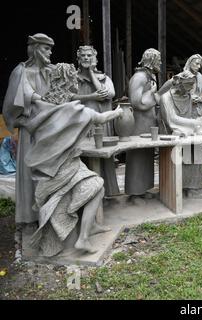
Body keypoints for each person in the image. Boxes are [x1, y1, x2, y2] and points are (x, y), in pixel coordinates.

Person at [23, 63, 123, 256]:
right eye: (75, 80)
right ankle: (83, 238)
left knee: (96, 188)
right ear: (71, 82)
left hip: (50, 165)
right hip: (64, 167)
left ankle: (90, 226)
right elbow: (102, 118)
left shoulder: (42, 106)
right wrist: (118, 112)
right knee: (97, 184)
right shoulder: (77, 111)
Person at [2, 33, 54, 230]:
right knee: (30, 171)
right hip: (30, 130)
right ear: (34, 49)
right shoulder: (21, 71)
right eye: (46, 48)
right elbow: (15, 100)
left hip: (48, 129)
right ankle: (29, 217)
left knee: (47, 171)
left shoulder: (51, 72)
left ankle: (48, 214)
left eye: (50, 49)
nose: (50, 52)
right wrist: (36, 102)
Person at [72, 45, 119, 198]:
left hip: (101, 124)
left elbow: (109, 94)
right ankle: (85, 196)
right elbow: (68, 97)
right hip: (81, 125)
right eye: (83, 56)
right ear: (78, 59)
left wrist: (92, 73)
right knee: (84, 156)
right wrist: (90, 97)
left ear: (95, 59)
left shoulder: (104, 78)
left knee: (102, 155)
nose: (86, 58)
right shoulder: (74, 78)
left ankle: (107, 194)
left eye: (89, 56)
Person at [159, 70, 202, 197]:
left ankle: (191, 186)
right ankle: (176, 187)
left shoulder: (188, 96)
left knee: (196, 147)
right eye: (188, 85)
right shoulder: (166, 97)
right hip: (170, 132)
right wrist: (194, 123)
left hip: (186, 130)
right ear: (179, 83)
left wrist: (195, 123)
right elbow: (171, 119)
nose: (191, 89)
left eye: (192, 85)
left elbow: (189, 115)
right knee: (178, 152)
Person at [125, 49, 161, 204]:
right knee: (137, 155)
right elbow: (136, 102)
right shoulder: (139, 77)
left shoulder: (149, 76)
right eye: (158, 60)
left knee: (146, 155)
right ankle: (134, 193)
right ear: (151, 60)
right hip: (139, 122)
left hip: (148, 121)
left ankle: (144, 188)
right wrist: (153, 93)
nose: (160, 63)